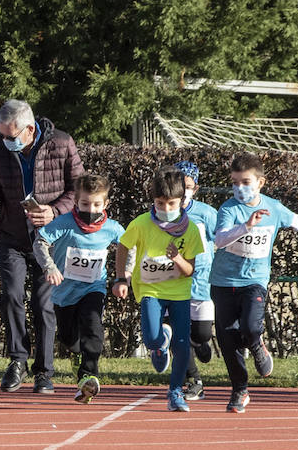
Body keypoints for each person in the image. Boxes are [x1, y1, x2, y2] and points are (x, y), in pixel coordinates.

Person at [210, 152, 298, 414]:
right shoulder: (229, 209)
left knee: (250, 327)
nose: (239, 188)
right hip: (223, 282)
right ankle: (239, 390)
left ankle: (257, 344)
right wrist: (246, 226)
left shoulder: (274, 208)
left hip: (255, 281)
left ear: (260, 183)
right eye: (234, 182)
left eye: (245, 182)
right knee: (228, 340)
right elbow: (219, 239)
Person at [0, 99, 84, 395]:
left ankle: (44, 371)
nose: (5, 141)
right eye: (1, 134)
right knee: (11, 296)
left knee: (43, 303)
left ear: (30, 129)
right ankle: (17, 360)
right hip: (12, 237)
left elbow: (79, 189)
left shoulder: (61, 143)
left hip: (50, 241)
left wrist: (55, 211)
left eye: (11, 136)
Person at [112, 168, 204, 412]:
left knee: (183, 344)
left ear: (182, 200)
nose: (165, 207)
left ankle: (175, 392)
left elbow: (189, 270)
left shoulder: (191, 229)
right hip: (150, 290)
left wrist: (177, 259)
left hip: (179, 293)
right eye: (160, 202)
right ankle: (160, 343)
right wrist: (121, 278)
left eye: (171, 203)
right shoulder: (141, 224)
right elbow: (122, 247)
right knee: (151, 337)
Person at [34, 174, 124, 405]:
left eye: (96, 204)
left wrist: (123, 277)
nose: (90, 209)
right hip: (64, 293)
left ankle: (88, 375)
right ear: (76, 201)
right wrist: (50, 266)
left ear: (106, 204)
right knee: (68, 339)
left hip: (94, 288)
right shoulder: (64, 223)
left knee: (93, 326)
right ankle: (76, 355)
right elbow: (40, 242)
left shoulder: (112, 228)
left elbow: (129, 246)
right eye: (85, 204)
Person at [175, 161, 217, 402]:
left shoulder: (207, 214)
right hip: (173, 282)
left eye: (187, 186)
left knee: (200, 334)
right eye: (178, 185)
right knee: (179, 335)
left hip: (202, 282)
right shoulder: (162, 211)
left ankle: (200, 343)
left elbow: (221, 239)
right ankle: (194, 381)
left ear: (195, 188)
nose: (182, 191)